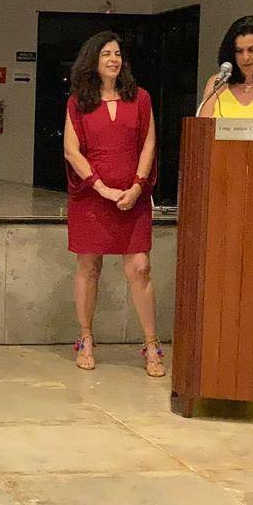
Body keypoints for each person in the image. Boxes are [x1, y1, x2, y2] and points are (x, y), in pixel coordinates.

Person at [63, 31, 164, 376]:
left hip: (133, 197)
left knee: (140, 267)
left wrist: (137, 186)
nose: (113, 59)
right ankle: (85, 338)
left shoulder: (141, 98)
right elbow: (71, 151)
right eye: (106, 53)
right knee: (89, 267)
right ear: (93, 60)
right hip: (92, 198)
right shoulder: (79, 102)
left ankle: (151, 343)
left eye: (117, 53)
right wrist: (101, 187)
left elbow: (148, 144)